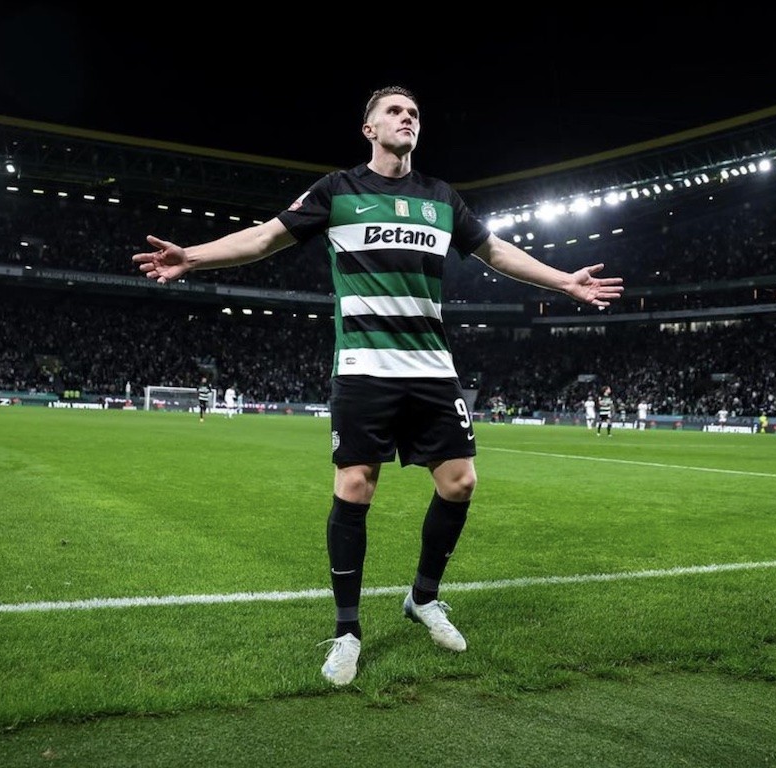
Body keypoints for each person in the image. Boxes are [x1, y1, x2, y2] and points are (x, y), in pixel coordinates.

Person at [132, 85, 624, 687]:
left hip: (432, 369)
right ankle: (346, 631)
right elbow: (264, 237)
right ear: (368, 129)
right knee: (356, 487)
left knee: (461, 482)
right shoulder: (338, 191)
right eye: (394, 111)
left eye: (414, 113)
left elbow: (495, 251)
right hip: (364, 368)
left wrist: (563, 282)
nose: (407, 118)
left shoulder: (441, 198)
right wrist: (195, 257)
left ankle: (422, 598)